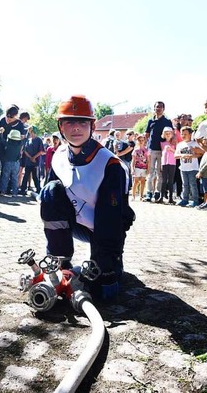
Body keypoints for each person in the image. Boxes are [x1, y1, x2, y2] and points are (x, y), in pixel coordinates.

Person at [40, 95, 134, 300]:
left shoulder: (110, 164)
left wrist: (103, 266)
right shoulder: (59, 156)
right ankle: (61, 261)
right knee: (49, 191)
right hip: (78, 224)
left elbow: (112, 219)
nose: (76, 128)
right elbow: (53, 201)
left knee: (104, 287)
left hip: (107, 228)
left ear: (92, 126)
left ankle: (112, 263)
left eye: (82, 122)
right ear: (61, 126)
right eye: (70, 122)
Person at [144, 101, 173, 202]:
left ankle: (157, 192)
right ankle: (149, 192)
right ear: (154, 108)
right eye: (156, 107)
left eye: (160, 107)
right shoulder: (150, 121)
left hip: (162, 150)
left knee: (160, 172)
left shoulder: (167, 121)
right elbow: (147, 134)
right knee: (150, 172)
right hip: (151, 149)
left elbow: (171, 135)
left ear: (163, 109)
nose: (158, 109)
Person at [175, 126, 202, 207]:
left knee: (193, 184)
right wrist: (183, 155)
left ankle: (195, 200)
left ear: (190, 134)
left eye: (185, 134)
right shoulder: (180, 144)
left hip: (193, 168)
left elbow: (200, 154)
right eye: (182, 134)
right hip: (183, 168)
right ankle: (185, 199)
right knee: (185, 184)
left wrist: (192, 156)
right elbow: (176, 155)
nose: (183, 136)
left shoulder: (195, 143)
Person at [0, 129, 24, 196]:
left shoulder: (8, 143)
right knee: (15, 178)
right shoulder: (20, 144)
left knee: (5, 177)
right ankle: (14, 193)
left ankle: (2, 191)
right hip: (16, 163)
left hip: (7, 162)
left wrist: (1, 133)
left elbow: (1, 140)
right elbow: (24, 140)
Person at [21, 125, 44, 194]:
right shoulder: (28, 140)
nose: (29, 133)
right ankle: (23, 189)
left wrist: (34, 158)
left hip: (35, 162)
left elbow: (41, 151)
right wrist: (30, 157)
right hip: (28, 161)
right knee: (26, 176)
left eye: (30, 131)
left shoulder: (38, 140)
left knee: (35, 176)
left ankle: (38, 189)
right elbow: (25, 150)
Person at [159, 126, 177, 204]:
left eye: (169, 133)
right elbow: (162, 154)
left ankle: (170, 197)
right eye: (166, 134)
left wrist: (171, 149)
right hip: (164, 163)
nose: (168, 135)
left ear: (172, 134)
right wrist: (160, 165)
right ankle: (161, 196)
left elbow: (177, 152)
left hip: (172, 163)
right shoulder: (162, 143)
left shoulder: (174, 143)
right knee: (163, 181)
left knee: (171, 181)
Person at [131, 134, 149, 201]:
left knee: (143, 182)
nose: (141, 141)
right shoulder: (135, 150)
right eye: (140, 140)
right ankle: (133, 195)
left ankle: (141, 195)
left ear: (144, 141)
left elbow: (148, 160)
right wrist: (132, 169)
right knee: (136, 181)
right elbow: (133, 160)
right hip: (137, 167)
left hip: (144, 168)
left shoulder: (147, 150)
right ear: (137, 141)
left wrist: (148, 168)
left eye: (142, 140)